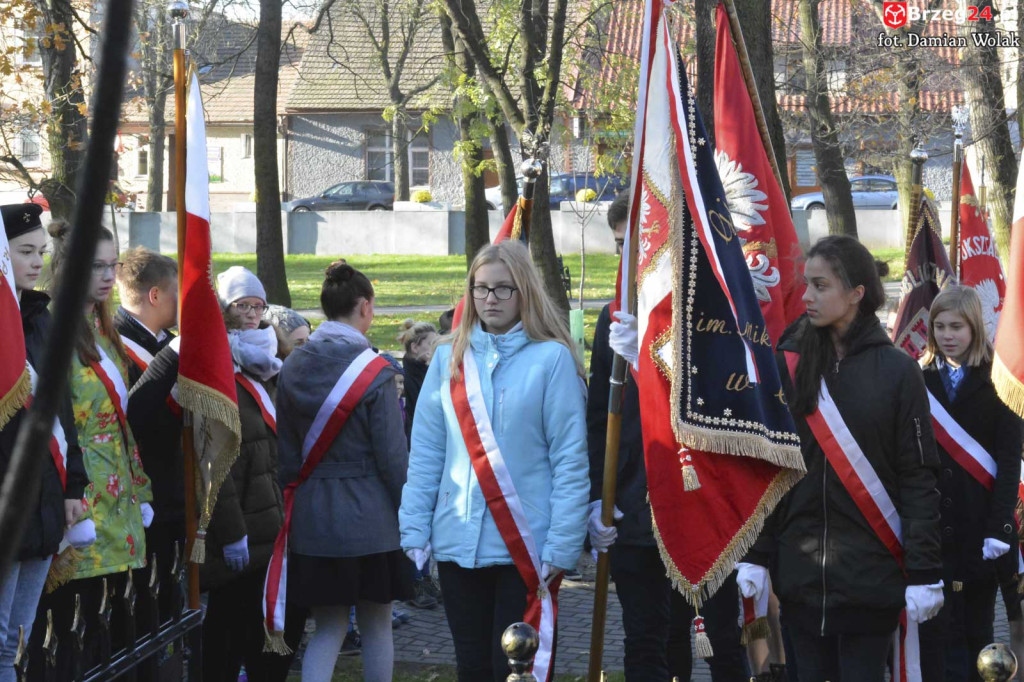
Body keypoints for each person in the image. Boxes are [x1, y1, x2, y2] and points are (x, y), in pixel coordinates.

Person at [738, 235, 943, 681]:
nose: (807, 297)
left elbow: (918, 476)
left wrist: (925, 570)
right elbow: (773, 466)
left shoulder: (898, 371)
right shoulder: (788, 364)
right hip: (800, 578)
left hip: (872, 580)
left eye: (821, 286)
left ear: (856, 294)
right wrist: (756, 552)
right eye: (806, 285)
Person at [399, 240, 590, 682]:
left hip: (525, 545)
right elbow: (426, 451)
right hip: (456, 541)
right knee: (472, 669)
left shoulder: (552, 359)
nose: (490, 298)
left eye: (503, 288)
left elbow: (569, 460)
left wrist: (562, 543)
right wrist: (414, 525)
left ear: (525, 291)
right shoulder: (448, 357)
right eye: (481, 288)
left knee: (516, 670)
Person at [587, 191, 749, 681]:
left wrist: (652, 362)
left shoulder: (713, 311)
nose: (628, 257)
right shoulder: (614, 315)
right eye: (621, 246)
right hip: (635, 504)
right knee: (647, 641)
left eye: (638, 244)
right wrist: (597, 496)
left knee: (720, 639)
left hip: (702, 503)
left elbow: (727, 404)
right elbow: (599, 416)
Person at [271, 261, 409, 682]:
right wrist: (410, 512)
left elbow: (286, 455)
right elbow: (393, 457)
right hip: (371, 518)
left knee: (328, 627)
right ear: (365, 306)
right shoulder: (376, 371)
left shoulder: (292, 365)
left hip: (313, 516)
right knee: (377, 625)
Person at [30, 223, 154, 679]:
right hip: (79, 503)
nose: (106, 276)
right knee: (72, 638)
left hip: (118, 502)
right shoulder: (50, 332)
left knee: (112, 637)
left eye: (111, 265)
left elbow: (119, 426)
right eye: (94, 266)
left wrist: (140, 490)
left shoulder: (104, 328)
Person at [194, 265, 302, 681]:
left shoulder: (267, 361)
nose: (253, 314)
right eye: (242, 305)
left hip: (268, 516)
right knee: (225, 628)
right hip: (237, 523)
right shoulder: (217, 364)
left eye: (258, 305)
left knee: (257, 626)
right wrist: (232, 531)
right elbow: (214, 457)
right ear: (224, 308)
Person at [0, 205, 88, 682]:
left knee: (18, 636)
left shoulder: (39, 317)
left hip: (45, 494)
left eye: (41, 252)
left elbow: (62, 410)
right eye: (24, 252)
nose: (37, 262)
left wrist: (73, 485)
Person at [920, 286, 1022, 681]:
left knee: (978, 631)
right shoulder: (919, 377)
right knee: (939, 635)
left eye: (956, 327)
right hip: (933, 529)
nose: (947, 335)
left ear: (975, 328)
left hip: (981, 527)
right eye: (940, 326)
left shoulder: (999, 379)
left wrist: (999, 526)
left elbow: (1010, 461)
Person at [114, 247, 178, 386]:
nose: (182, 300)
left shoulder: (165, 337)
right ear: (155, 296)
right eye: (177, 292)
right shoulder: (114, 351)